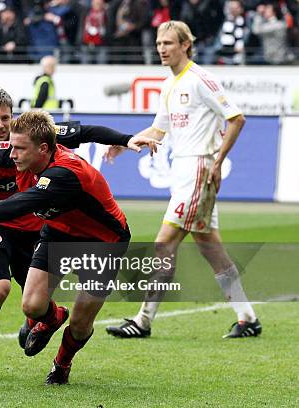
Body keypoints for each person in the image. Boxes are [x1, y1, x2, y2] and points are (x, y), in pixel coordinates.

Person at [0, 88, 156, 382]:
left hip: (103, 243)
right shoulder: (23, 148)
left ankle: (61, 365)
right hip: (57, 231)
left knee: (81, 323)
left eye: (17, 149)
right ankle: (47, 321)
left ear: (42, 149)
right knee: (31, 304)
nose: (10, 155)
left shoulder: (63, 175)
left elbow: (17, 204)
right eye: (10, 147)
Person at [104, 20, 261, 340]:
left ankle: (143, 319)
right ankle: (248, 317)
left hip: (199, 169)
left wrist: (217, 161)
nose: (162, 48)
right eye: (160, 43)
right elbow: (159, 131)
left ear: (185, 45)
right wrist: (124, 142)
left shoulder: (200, 79)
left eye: (169, 43)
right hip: (183, 172)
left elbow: (237, 118)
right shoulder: (169, 84)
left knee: (165, 243)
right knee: (209, 246)